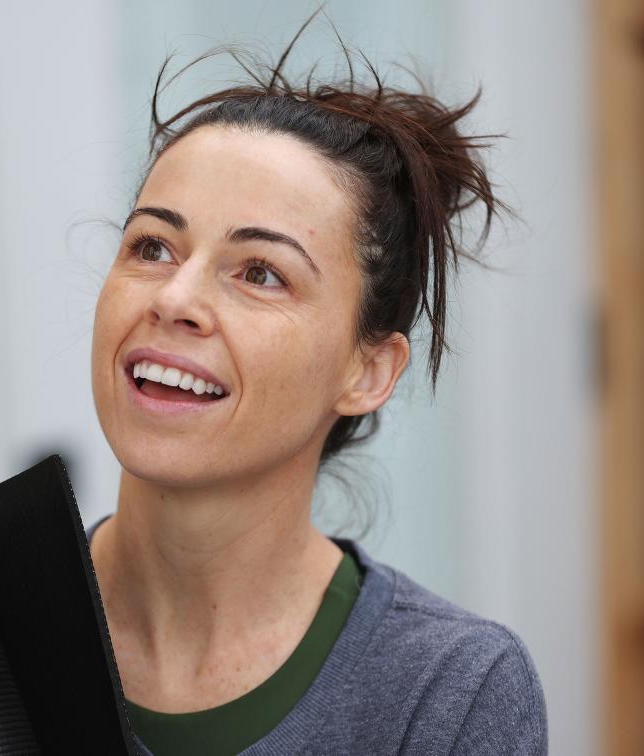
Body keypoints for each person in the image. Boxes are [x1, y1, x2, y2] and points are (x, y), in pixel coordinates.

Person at [85, 10, 548, 755]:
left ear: (366, 372)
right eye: (153, 246)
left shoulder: (449, 690)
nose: (172, 300)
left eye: (259, 272)